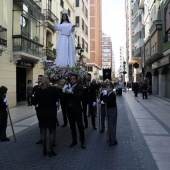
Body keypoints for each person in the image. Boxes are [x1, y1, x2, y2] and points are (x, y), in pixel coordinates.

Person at [33, 76, 61, 156]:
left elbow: (34, 102)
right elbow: (60, 96)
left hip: (42, 113)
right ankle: (51, 149)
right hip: (51, 113)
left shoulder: (38, 90)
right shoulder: (52, 89)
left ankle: (44, 150)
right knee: (52, 131)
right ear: (48, 82)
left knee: (43, 131)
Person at [65, 74, 86, 149]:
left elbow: (79, 97)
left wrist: (72, 93)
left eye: (74, 79)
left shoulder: (79, 87)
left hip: (77, 110)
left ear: (76, 79)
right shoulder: (68, 87)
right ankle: (74, 141)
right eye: (71, 79)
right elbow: (64, 98)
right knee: (72, 126)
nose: (72, 80)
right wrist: (64, 91)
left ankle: (82, 141)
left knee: (80, 126)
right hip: (69, 110)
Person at [32, 75, 43, 144]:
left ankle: (53, 140)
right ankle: (41, 138)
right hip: (38, 108)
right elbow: (33, 96)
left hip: (46, 109)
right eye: (39, 79)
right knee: (41, 123)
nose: (39, 80)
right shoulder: (35, 88)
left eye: (41, 79)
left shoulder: (46, 87)